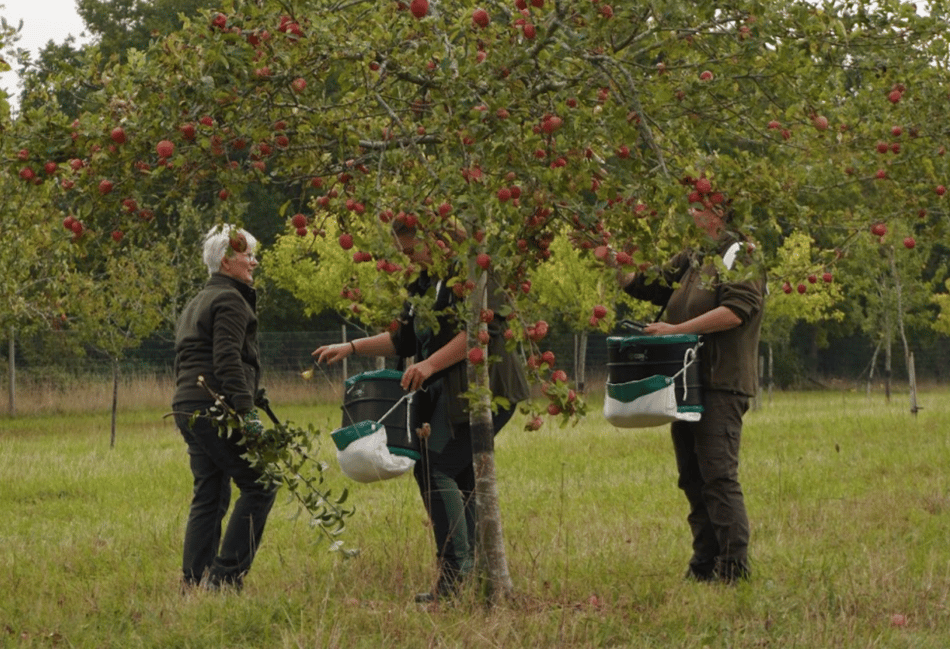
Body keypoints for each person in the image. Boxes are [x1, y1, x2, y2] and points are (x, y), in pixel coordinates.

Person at [313, 221, 529, 603]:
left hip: (488, 389)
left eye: (412, 250)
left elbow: (479, 332)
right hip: (452, 392)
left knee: (438, 466)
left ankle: (456, 573)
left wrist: (428, 366)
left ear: (436, 237)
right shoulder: (425, 284)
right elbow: (405, 337)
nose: (408, 258)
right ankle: (474, 573)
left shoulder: (474, 271)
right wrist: (352, 346)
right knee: (453, 471)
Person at [618, 201, 764, 584]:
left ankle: (734, 570)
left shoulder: (740, 253)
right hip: (683, 380)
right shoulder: (695, 256)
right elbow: (648, 284)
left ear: (719, 211)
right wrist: (613, 260)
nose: (690, 211)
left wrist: (675, 330)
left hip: (720, 382)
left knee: (718, 475)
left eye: (698, 205)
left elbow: (736, 310)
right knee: (692, 476)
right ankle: (704, 564)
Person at [171, 224, 278, 592]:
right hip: (215, 406)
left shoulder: (197, 301)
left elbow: (187, 358)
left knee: (211, 491)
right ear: (226, 262)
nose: (254, 262)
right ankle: (225, 578)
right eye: (248, 255)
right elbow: (227, 360)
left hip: (188, 405)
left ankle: (193, 579)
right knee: (261, 485)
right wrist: (246, 411)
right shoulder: (231, 299)